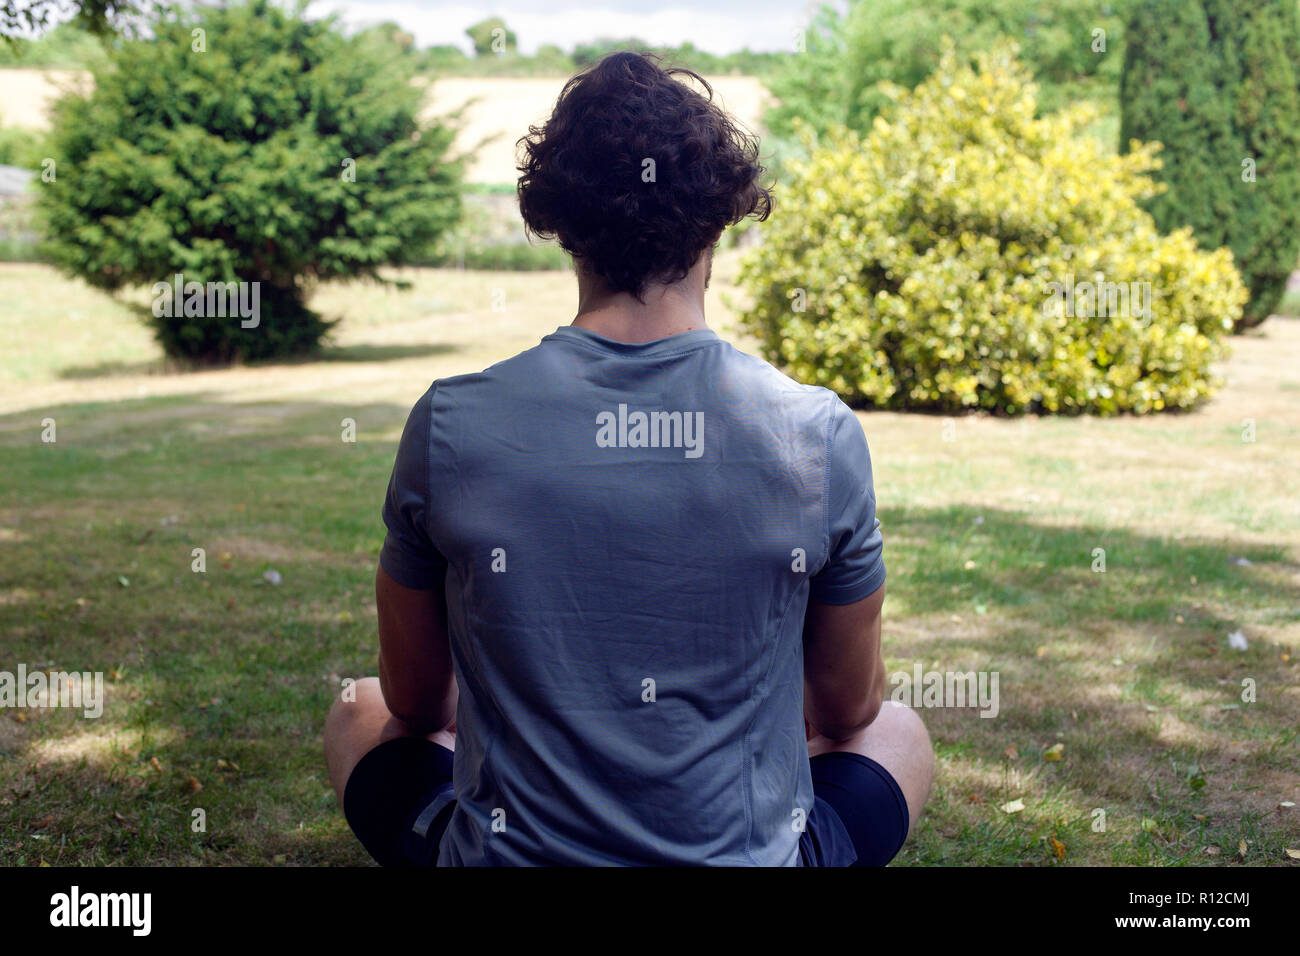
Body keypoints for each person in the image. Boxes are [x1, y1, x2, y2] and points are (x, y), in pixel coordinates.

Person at [324, 51, 934, 866]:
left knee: (357, 708)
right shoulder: (812, 432)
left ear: (563, 227)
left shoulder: (451, 423)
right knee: (899, 729)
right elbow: (849, 710)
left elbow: (413, 700)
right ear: (718, 223)